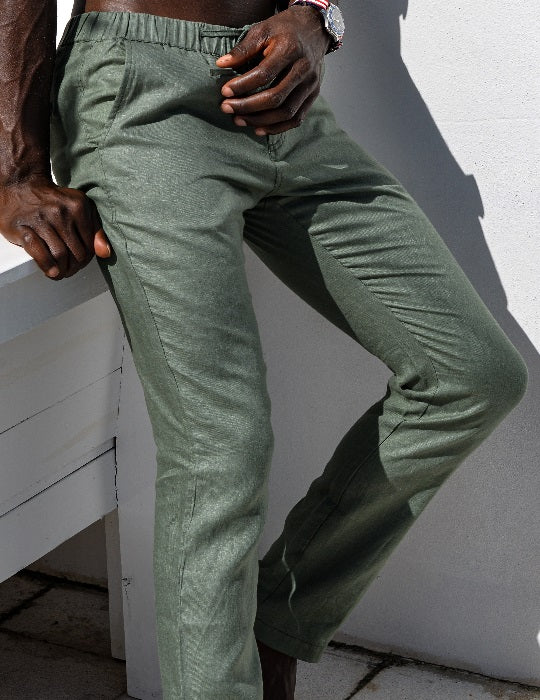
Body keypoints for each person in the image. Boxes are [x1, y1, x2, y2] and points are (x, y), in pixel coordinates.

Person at [0, 1, 528, 698]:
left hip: (279, 93)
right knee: (221, 449)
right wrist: (17, 171)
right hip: (141, 95)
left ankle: (280, 619)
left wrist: (316, 19)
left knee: (472, 373)